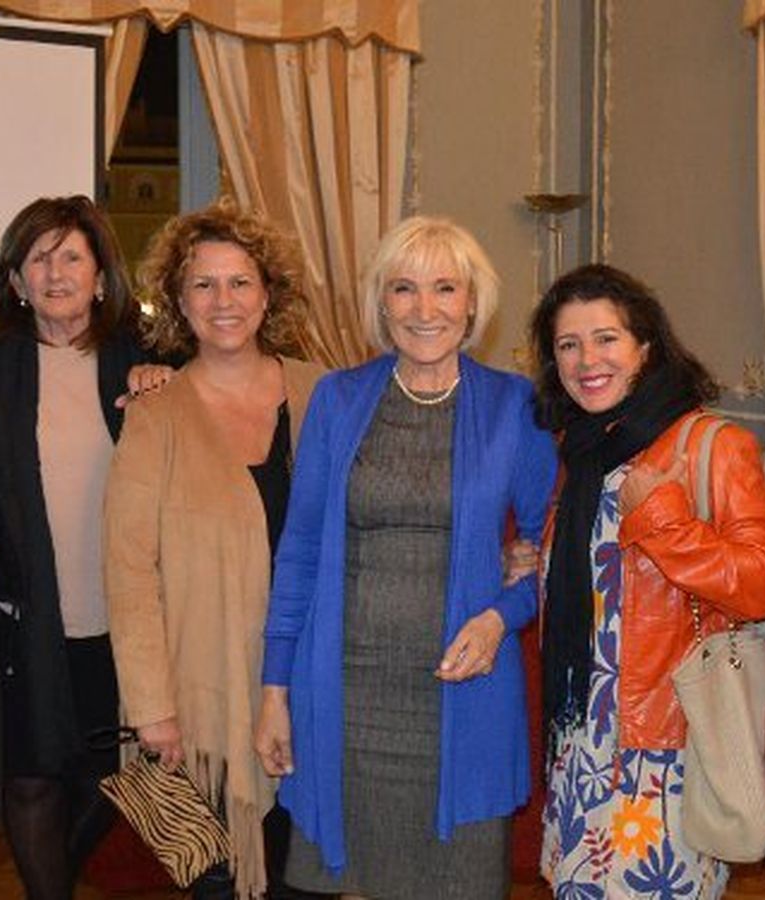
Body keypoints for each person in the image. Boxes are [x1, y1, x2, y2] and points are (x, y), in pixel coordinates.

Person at [253, 216, 556, 898]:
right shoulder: (338, 399)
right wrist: (274, 691)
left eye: (445, 288)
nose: (425, 309)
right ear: (381, 304)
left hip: (465, 691)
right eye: (404, 288)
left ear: (472, 303)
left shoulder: (514, 406)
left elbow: (549, 552)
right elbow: (299, 552)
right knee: (357, 881)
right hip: (347, 692)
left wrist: (500, 619)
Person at [0, 195, 164, 899]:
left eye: (72, 257)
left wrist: (170, 383)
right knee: (31, 780)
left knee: (109, 775)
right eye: (39, 259)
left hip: (123, 613)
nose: (56, 274)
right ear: (16, 280)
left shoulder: (143, 356)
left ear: (100, 275)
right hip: (20, 616)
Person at [527, 263, 765, 898]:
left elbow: (764, 583)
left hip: (664, 746)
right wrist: (532, 560)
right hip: (583, 742)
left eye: (606, 338)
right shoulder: (581, 451)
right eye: (568, 344)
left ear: (645, 347)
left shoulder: (711, 445)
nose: (587, 359)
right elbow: (598, 583)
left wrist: (667, 525)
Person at [104, 203, 325, 899]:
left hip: (316, 691)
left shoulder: (324, 393)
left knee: (307, 882)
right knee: (222, 884)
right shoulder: (155, 414)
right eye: (203, 284)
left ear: (268, 293)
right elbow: (129, 573)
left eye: (239, 282)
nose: (222, 300)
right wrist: (152, 709)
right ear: (178, 301)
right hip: (199, 707)